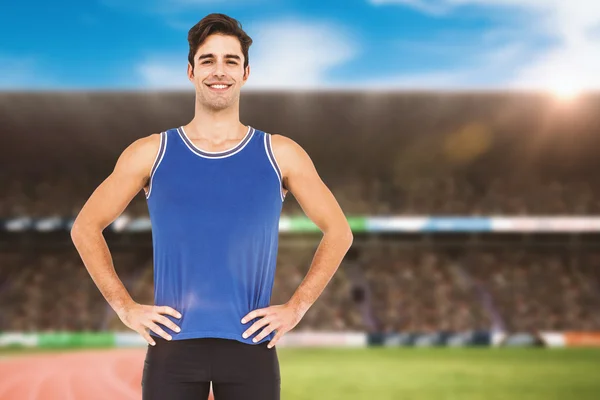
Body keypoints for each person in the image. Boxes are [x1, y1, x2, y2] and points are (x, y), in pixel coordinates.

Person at [70, 12, 353, 400]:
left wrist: (297, 307)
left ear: (245, 73)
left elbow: (339, 232)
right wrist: (125, 307)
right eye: (208, 60)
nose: (219, 70)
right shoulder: (151, 152)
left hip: (252, 347)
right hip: (171, 349)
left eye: (230, 60)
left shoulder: (281, 153)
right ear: (190, 71)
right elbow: (85, 227)